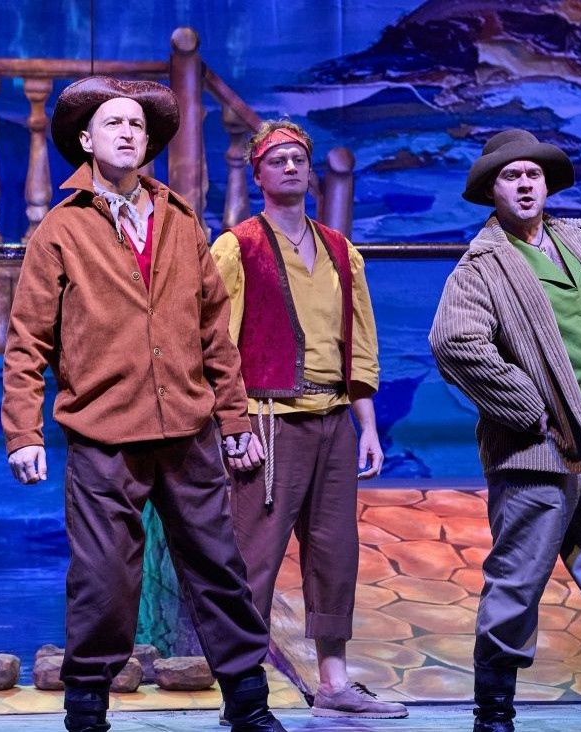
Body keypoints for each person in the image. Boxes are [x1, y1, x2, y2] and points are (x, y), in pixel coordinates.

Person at [1, 77, 285, 732]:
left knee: (218, 567)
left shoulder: (180, 220)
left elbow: (214, 331)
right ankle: (86, 708)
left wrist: (234, 417)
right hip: (104, 433)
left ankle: (248, 700)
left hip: (187, 428)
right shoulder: (61, 229)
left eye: (137, 124)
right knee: (103, 578)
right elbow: (27, 340)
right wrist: (23, 431)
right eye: (114, 123)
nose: (129, 132)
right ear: (85, 140)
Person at [428, 129, 581, 732]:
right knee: (517, 580)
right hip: (536, 451)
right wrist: (527, 405)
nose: (524, 185)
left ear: (546, 185)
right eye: (511, 176)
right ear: (492, 190)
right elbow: (454, 341)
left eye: (532, 175)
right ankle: (494, 715)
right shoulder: (483, 265)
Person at [211, 121, 405, 719]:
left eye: (298, 158)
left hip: (334, 419)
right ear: (258, 174)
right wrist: (233, 426)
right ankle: (243, 689)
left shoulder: (342, 251)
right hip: (268, 421)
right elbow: (215, 345)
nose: (291, 167)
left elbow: (360, 345)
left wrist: (367, 425)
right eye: (278, 160)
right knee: (255, 557)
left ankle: (333, 684)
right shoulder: (237, 248)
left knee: (334, 554)